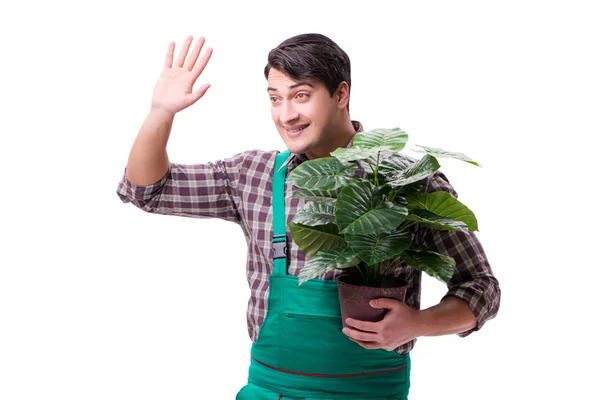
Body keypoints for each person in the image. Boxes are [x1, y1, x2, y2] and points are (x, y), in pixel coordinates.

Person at [116, 33, 501, 399]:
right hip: (271, 390)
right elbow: (148, 190)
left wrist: (418, 323)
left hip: (370, 392)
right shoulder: (254, 175)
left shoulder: (405, 181)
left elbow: (481, 288)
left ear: (341, 94)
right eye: (275, 98)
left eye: (301, 95)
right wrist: (160, 111)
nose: (287, 115)